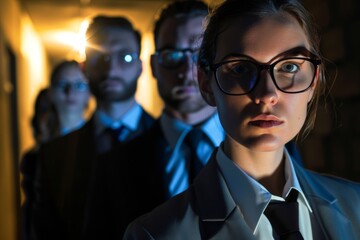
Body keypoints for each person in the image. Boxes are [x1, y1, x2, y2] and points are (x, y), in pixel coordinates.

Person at [124, 0, 360, 239]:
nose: (267, 94)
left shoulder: (356, 205)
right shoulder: (154, 233)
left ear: (314, 80)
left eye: (289, 67)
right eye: (239, 69)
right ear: (206, 84)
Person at [31, 16, 155, 240]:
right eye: (100, 57)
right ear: (84, 67)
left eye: (125, 57)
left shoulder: (174, 143)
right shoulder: (53, 155)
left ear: (140, 67)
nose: (111, 68)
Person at [22, 60, 90, 240]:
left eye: (79, 85)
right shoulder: (34, 157)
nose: (70, 92)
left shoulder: (104, 145)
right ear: (51, 91)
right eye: (62, 85)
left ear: (89, 93)